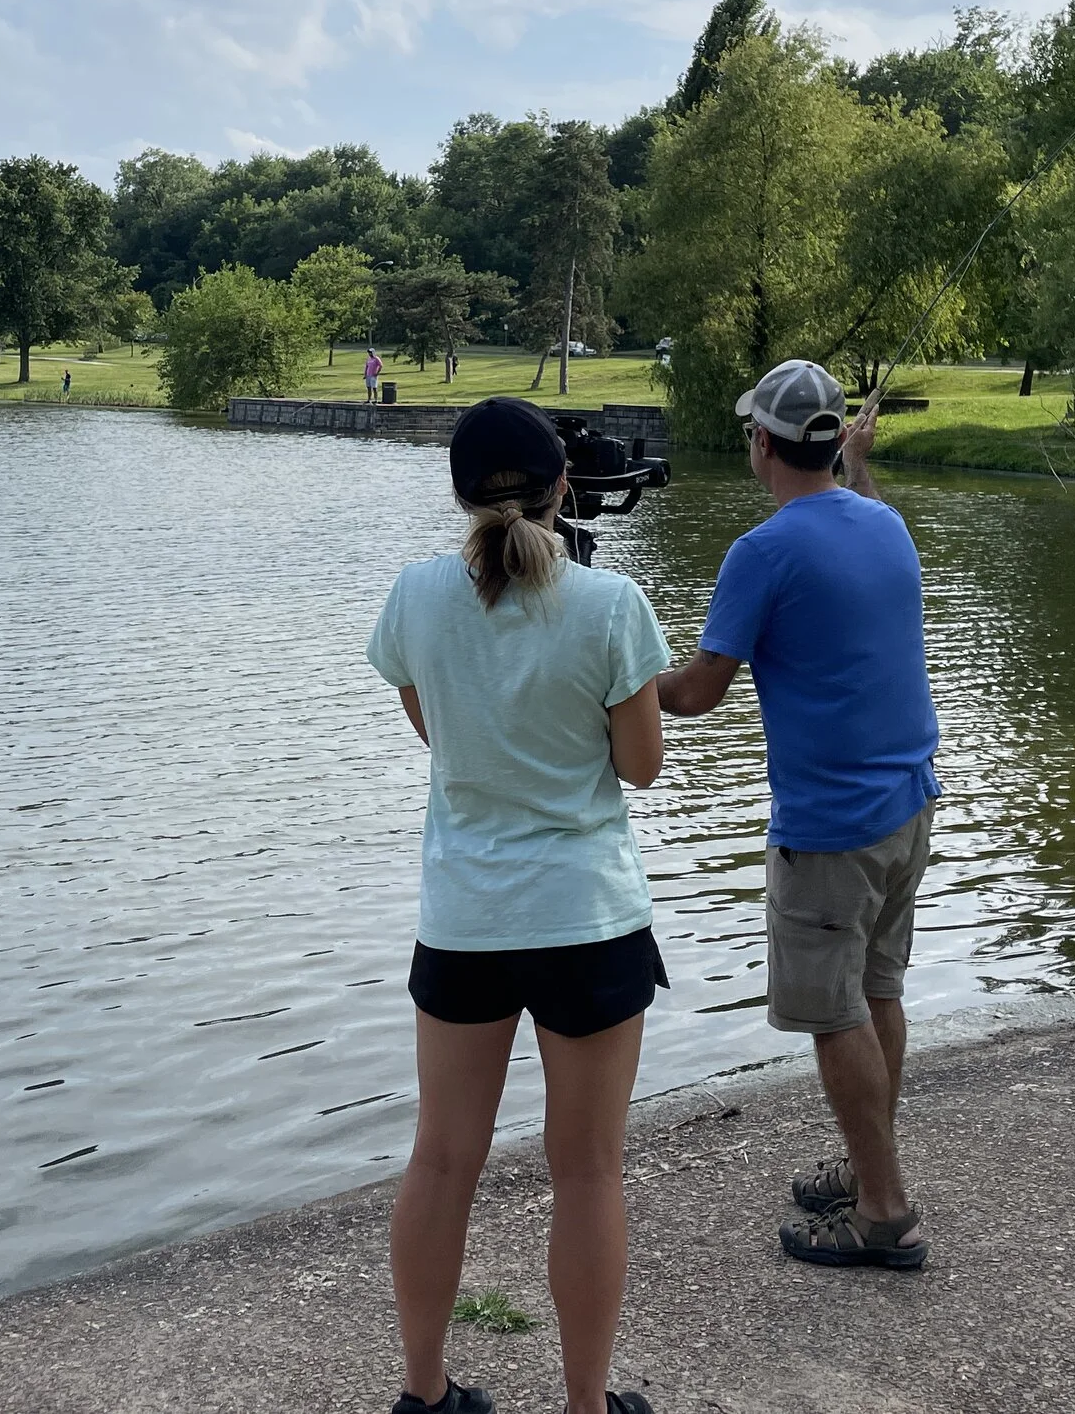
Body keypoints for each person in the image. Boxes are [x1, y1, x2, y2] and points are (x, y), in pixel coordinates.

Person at [369, 396, 670, 1414]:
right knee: (586, 1172)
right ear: (564, 489)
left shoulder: (414, 597)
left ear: (457, 497)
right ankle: (586, 1406)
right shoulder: (611, 604)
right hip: (586, 918)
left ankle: (425, 1394)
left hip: (465, 920)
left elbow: (439, 735)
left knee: (441, 1159)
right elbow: (639, 769)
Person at [655, 359, 941, 1271]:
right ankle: (871, 1174)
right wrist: (860, 465)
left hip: (830, 827)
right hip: (907, 810)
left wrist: (616, 684)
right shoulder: (885, 524)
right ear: (832, 441)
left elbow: (698, 692)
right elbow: (864, 505)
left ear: (763, 443)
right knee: (879, 993)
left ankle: (883, 1211)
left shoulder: (763, 551)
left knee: (833, 1012)